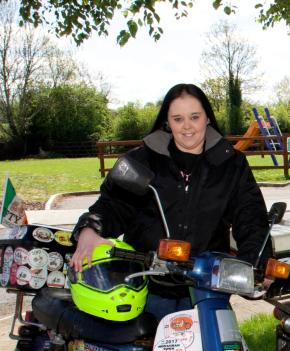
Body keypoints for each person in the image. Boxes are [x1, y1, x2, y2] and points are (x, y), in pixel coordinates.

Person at [71, 83, 270, 320]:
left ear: (207, 118)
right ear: (167, 121)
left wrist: (258, 262)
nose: (187, 126)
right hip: (147, 284)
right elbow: (113, 205)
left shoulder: (231, 163)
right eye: (178, 119)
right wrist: (90, 229)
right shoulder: (142, 160)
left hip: (207, 286)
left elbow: (251, 217)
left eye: (194, 117)